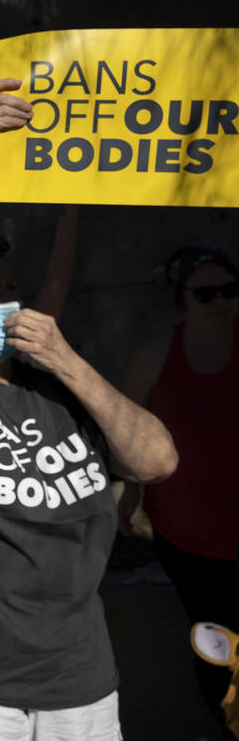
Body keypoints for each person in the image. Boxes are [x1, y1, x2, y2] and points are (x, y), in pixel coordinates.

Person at [0, 78, 178, 741]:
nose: (4, 300)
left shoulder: (59, 384)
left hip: (78, 675)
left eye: (11, 288)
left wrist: (68, 361)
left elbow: (158, 461)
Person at [119, 243, 239, 732]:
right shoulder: (156, 353)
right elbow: (126, 429)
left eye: (230, 290)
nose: (221, 302)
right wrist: (128, 494)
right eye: (206, 293)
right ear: (181, 299)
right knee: (215, 642)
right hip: (186, 534)